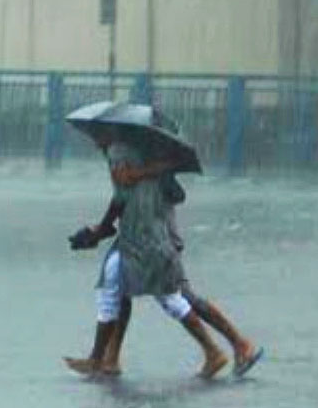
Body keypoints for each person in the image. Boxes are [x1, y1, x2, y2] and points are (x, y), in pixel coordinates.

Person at [63, 137, 227, 379]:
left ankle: (214, 351)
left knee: (167, 298)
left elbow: (120, 198)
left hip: (143, 242)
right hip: (147, 240)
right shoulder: (143, 161)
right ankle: (102, 359)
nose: (95, 144)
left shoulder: (119, 151)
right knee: (127, 290)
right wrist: (147, 173)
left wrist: (100, 229)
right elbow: (165, 195)